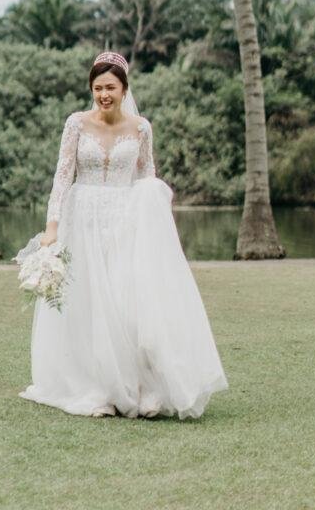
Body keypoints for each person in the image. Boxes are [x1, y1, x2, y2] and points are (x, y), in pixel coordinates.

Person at [18, 50, 229, 419]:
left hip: (124, 220)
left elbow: (148, 178)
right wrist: (52, 228)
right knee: (90, 305)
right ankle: (98, 386)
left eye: (111, 87)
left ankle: (138, 385)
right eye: (98, 87)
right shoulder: (76, 124)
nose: (104, 94)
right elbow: (62, 176)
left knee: (127, 304)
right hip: (81, 219)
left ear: (124, 88)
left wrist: (155, 225)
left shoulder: (141, 127)